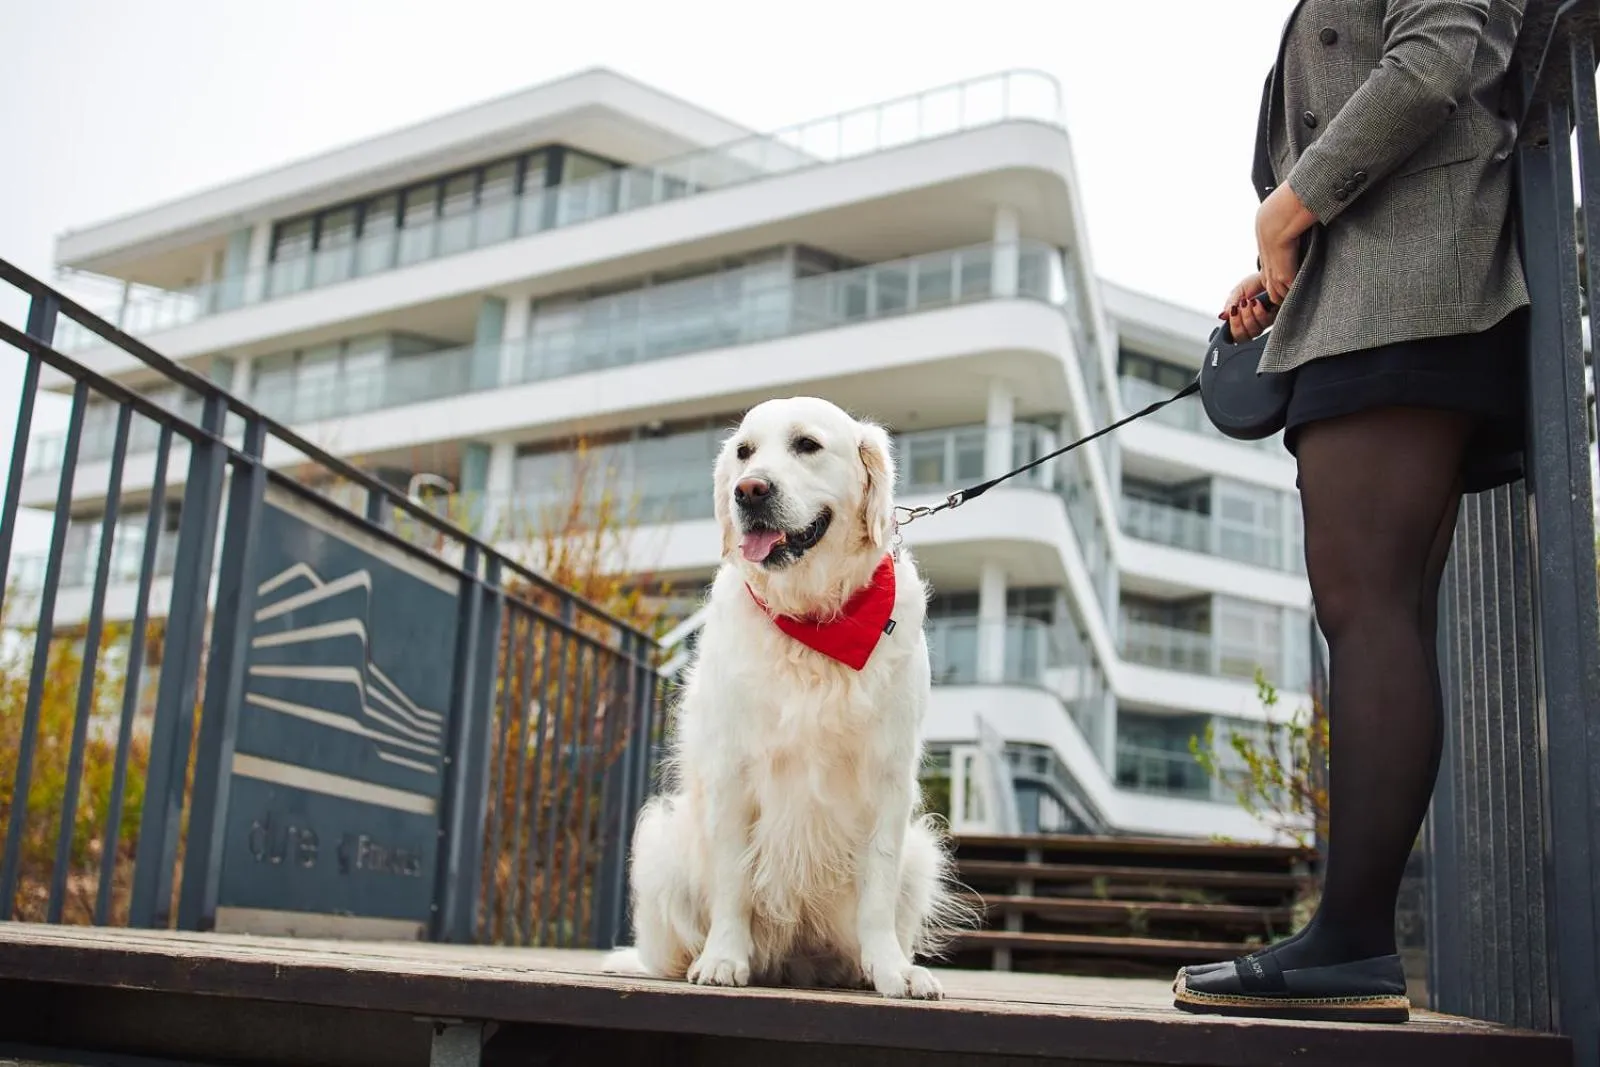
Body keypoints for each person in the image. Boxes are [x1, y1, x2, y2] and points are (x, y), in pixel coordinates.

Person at [1172, 0, 1530, 1024]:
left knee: (1367, 607)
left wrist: (1288, 208)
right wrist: (1289, 255)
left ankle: (1352, 939)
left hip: (1409, 295)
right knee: (1371, 612)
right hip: (1366, 294)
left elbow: (1439, 53)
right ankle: (1351, 934)